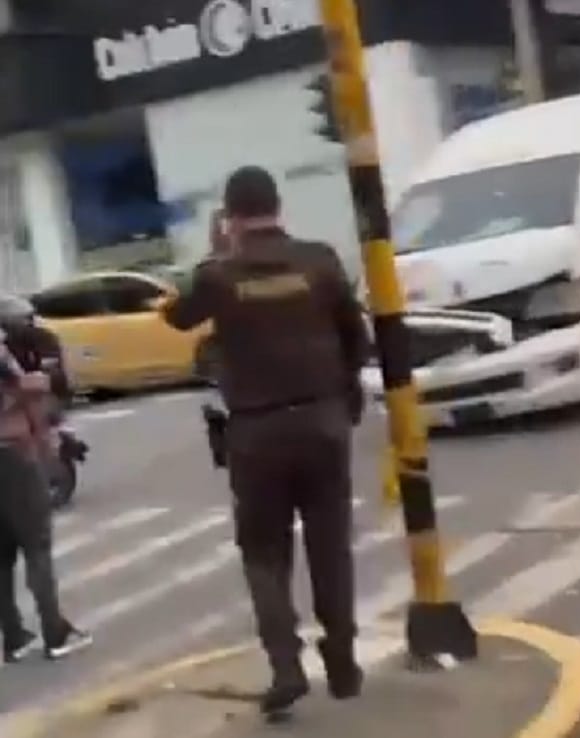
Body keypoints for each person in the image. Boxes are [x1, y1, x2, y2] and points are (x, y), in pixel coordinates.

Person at [160, 166, 369, 715]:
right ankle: (342, 657)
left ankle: (286, 666)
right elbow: (356, 336)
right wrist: (345, 400)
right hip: (324, 424)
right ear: (279, 206)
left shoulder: (218, 277)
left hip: (257, 432)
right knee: (330, 546)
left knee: (263, 554)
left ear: (230, 217)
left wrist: (212, 257)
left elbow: (175, 316)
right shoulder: (320, 260)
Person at [0, 328, 91, 663]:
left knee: (2, 555)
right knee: (36, 545)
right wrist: (37, 381)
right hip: (12, 453)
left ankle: (13, 636)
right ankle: (54, 632)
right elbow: (18, 387)